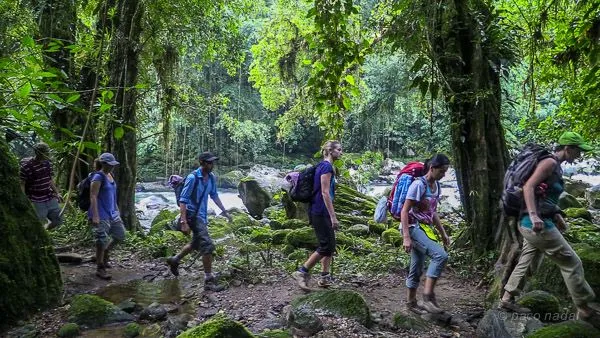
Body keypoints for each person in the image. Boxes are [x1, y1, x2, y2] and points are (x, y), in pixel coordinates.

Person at [499, 131, 600, 327]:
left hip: (535, 222)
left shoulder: (555, 166)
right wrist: (535, 215)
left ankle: (506, 299)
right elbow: (528, 187)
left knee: (527, 260)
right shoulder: (550, 163)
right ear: (567, 148)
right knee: (572, 263)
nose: (579, 155)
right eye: (578, 151)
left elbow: (544, 196)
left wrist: (557, 214)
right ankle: (585, 309)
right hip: (536, 224)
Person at [166, 152, 233, 291]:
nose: (212, 165)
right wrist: (184, 222)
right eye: (209, 162)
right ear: (202, 163)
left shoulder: (211, 178)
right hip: (192, 215)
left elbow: (214, 195)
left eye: (212, 162)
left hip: (201, 216)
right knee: (207, 245)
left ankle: (175, 260)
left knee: (195, 243)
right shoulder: (192, 178)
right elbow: (183, 200)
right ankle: (208, 280)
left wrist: (225, 211)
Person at [400, 154, 451, 314]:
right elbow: (404, 211)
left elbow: (432, 212)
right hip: (413, 227)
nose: (443, 174)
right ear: (432, 168)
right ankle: (428, 296)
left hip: (425, 228)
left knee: (417, 266)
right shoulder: (418, 185)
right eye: (442, 171)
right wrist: (406, 237)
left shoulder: (437, 186)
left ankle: (411, 303)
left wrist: (443, 233)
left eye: (445, 171)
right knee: (440, 256)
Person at [292, 140, 343, 289]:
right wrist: (333, 216)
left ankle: (325, 278)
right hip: (321, 211)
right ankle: (302, 271)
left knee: (329, 245)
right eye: (339, 150)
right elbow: (325, 192)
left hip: (319, 210)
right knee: (326, 246)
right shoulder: (326, 166)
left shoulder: (322, 165)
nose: (341, 152)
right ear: (330, 151)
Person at [89, 152, 127, 280]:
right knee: (101, 240)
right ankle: (100, 267)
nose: (112, 167)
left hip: (112, 212)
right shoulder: (98, 177)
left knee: (120, 235)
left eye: (113, 164)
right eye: (110, 164)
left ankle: (106, 253)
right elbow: (93, 196)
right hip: (101, 213)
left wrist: (117, 211)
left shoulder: (110, 175)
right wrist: (95, 215)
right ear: (104, 164)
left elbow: (113, 196)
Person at [19, 142, 63, 230]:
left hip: (49, 196)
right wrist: (24, 198)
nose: (48, 155)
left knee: (58, 219)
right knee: (38, 221)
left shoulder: (48, 164)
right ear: (39, 153)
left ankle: (46, 230)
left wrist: (57, 193)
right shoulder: (26, 166)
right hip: (36, 198)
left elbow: (49, 180)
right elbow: (22, 183)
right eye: (46, 153)